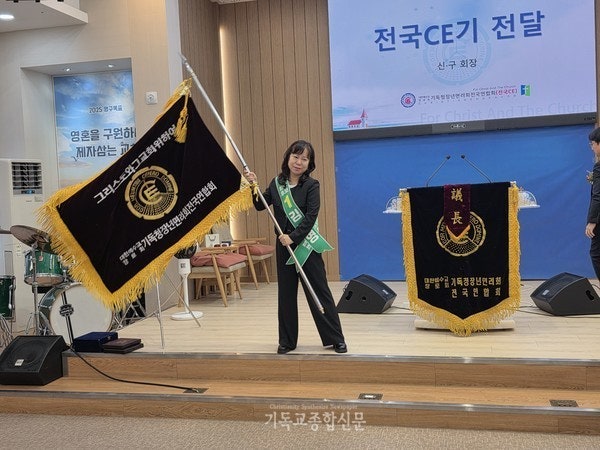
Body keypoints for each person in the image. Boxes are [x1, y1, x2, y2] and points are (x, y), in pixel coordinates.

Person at [245, 140, 347, 354]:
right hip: (284, 248)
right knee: (286, 295)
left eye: (304, 158)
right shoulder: (277, 184)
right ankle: (287, 341)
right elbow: (260, 205)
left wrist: (293, 237)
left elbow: (311, 217)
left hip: (307, 246)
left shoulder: (312, 186)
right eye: (295, 156)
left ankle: (335, 338)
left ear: (309, 163)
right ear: (288, 158)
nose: (299, 162)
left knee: (320, 292)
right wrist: (253, 186)